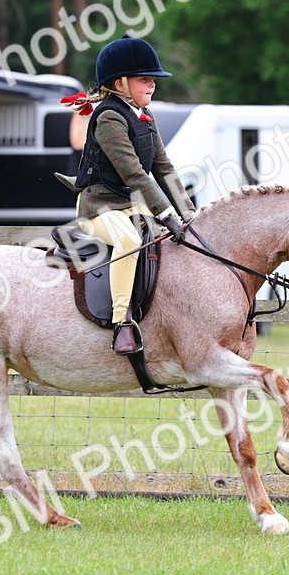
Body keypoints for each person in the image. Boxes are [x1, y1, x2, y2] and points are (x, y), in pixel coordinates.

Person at [61, 34, 195, 355]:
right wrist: (166, 213)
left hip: (129, 206)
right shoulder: (108, 117)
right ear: (120, 83)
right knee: (130, 241)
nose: (152, 85)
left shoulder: (146, 118)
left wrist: (188, 213)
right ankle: (122, 322)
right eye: (144, 79)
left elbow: (164, 168)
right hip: (97, 208)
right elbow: (135, 173)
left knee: (165, 242)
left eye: (153, 80)